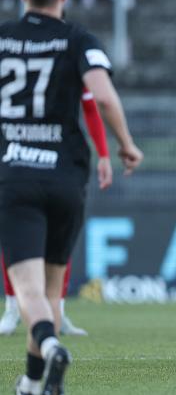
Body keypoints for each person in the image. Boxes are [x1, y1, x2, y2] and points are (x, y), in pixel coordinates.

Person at [1, 0, 143, 395]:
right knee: (52, 288)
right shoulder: (79, 39)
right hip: (66, 177)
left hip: (15, 176)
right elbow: (102, 95)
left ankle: (50, 345)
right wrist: (124, 145)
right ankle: (31, 385)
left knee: (27, 292)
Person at [0, 88, 112, 336]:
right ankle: (12, 308)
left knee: (58, 240)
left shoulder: (63, 55)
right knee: (14, 239)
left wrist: (104, 152)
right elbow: (100, 101)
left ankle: (56, 311)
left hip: (54, 159)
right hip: (19, 157)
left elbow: (91, 105)